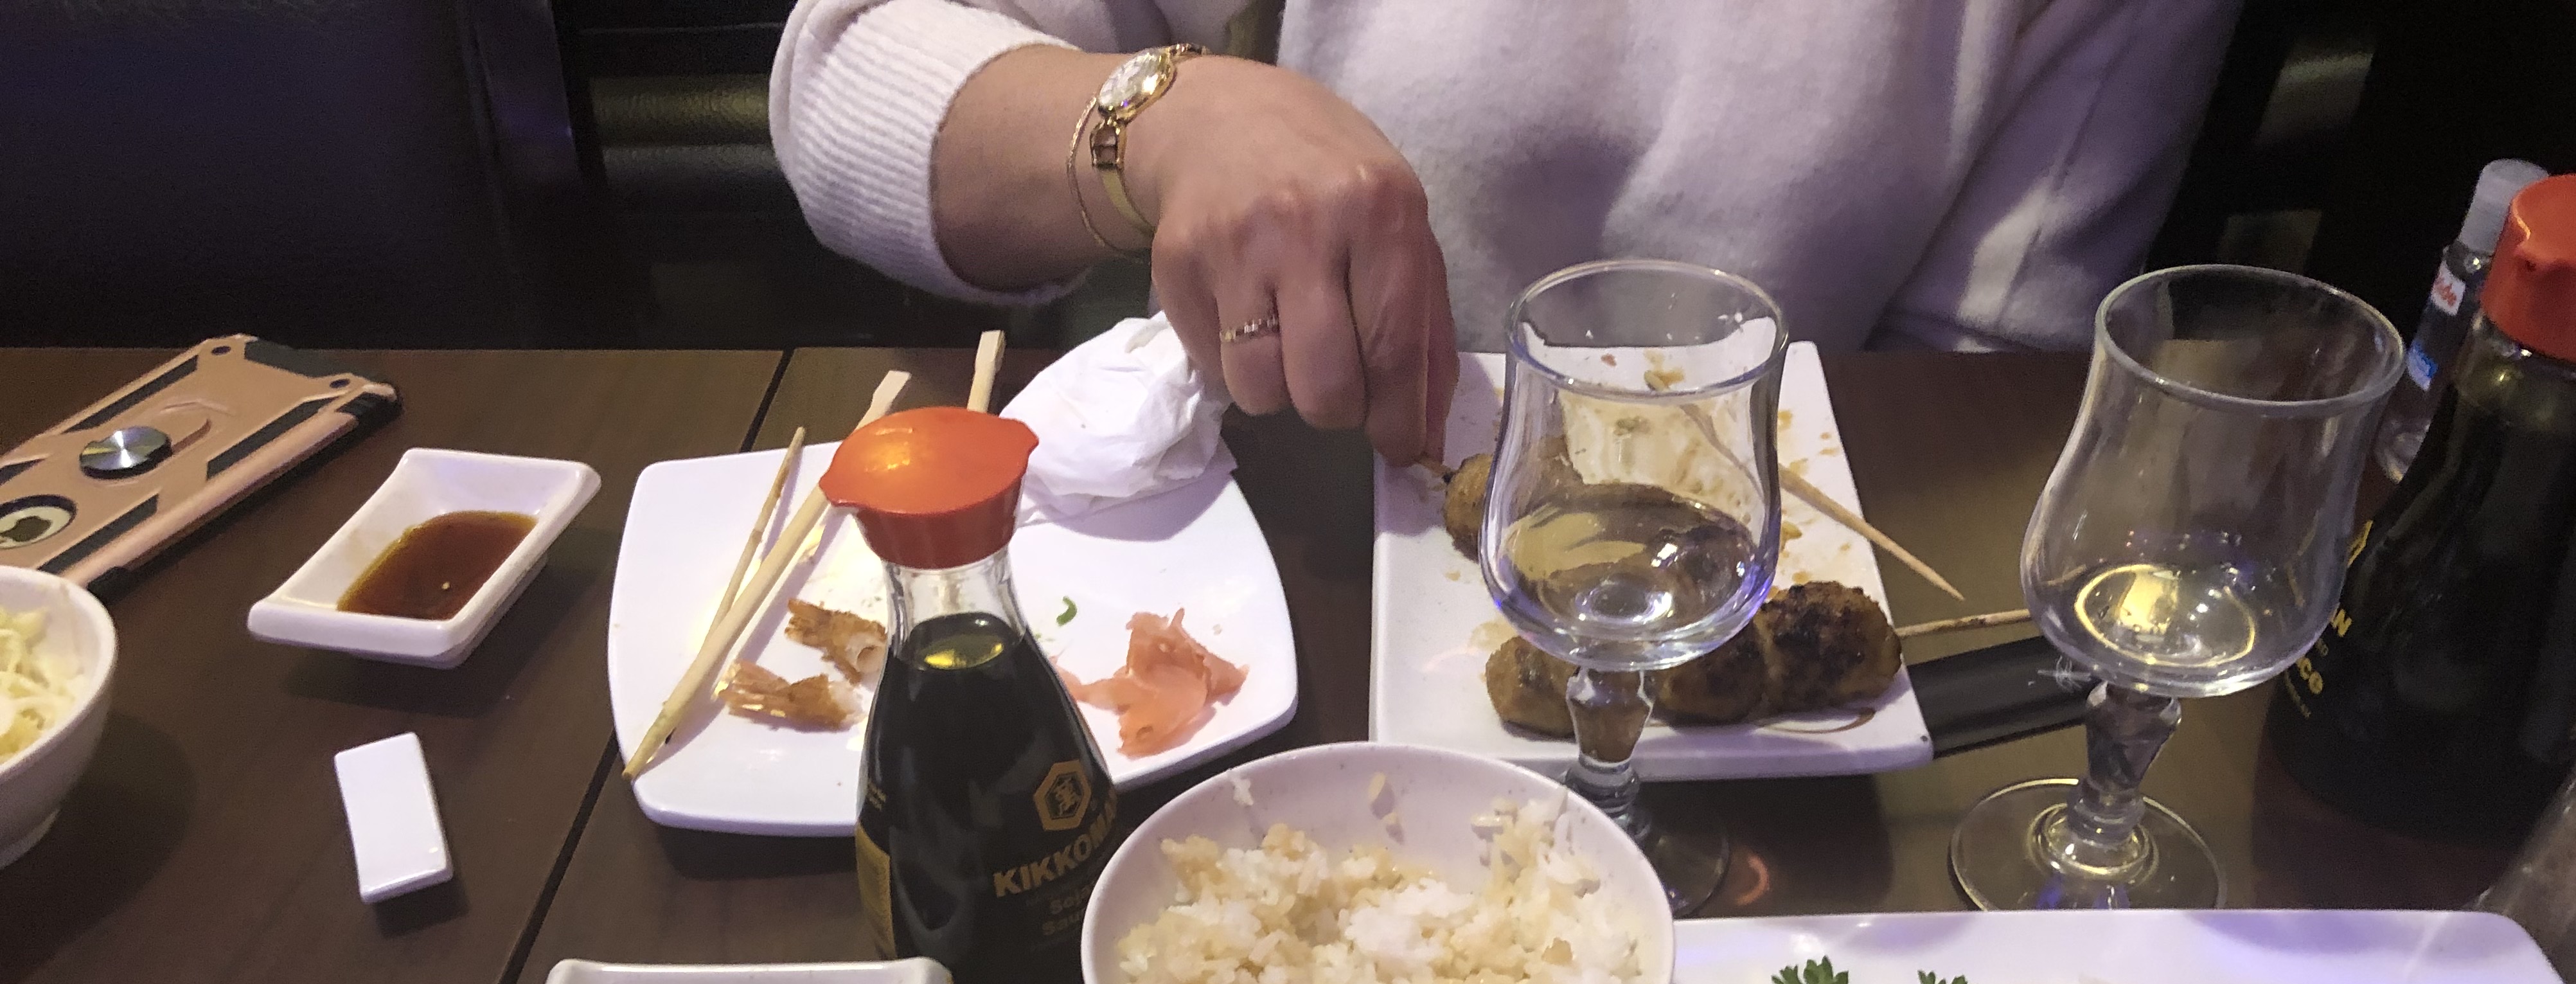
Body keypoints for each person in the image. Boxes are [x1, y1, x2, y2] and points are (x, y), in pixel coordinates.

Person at [771, 1, 2242, 463]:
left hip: (1749, 592)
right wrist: (1161, 118)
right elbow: (842, 83)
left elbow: (1979, 386)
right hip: (1272, 553)